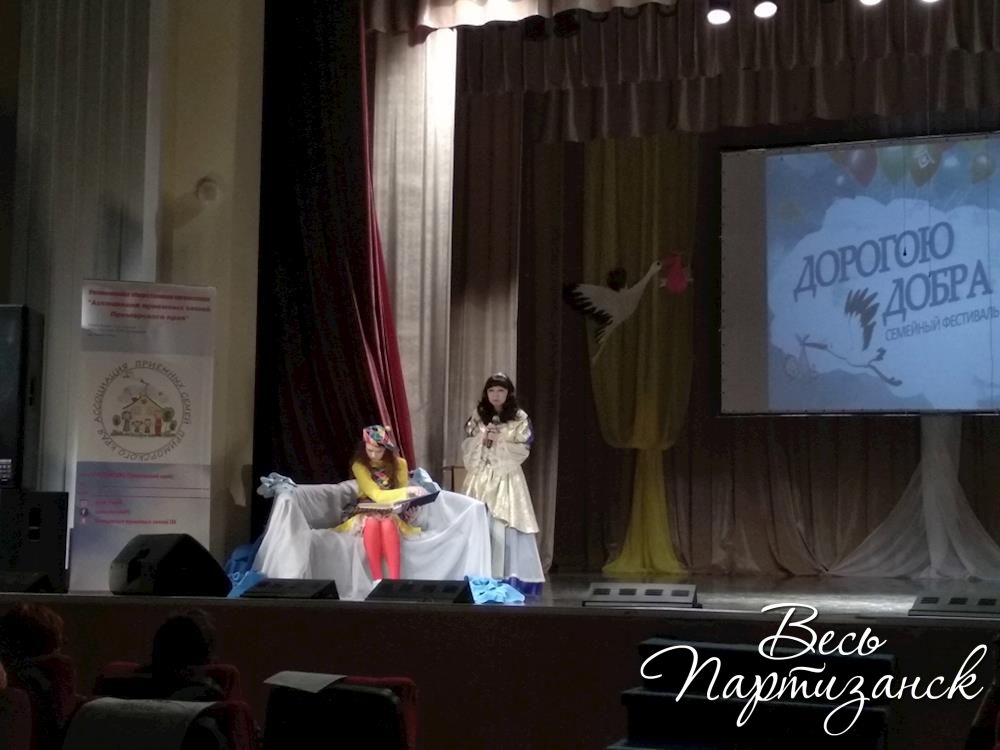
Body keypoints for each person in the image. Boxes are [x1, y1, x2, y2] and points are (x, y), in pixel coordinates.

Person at [462, 373, 544, 589]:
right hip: (481, 475)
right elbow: (469, 445)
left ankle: (508, 576)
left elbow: (522, 448)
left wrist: (500, 441)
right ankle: (480, 573)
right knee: (480, 521)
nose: (496, 395)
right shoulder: (478, 416)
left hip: (506, 476)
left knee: (506, 523)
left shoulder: (519, 418)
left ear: (508, 393)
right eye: (491, 391)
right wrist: (483, 439)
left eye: (500, 390)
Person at [334, 425, 425, 581]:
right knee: (371, 523)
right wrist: (408, 491)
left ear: (386, 450)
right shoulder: (359, 465)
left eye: (379, 451)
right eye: (370, 450)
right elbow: (376, 495)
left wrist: (407, 501)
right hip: (366, 507)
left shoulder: (400, 464)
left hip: (392, 508)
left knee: (388, 523)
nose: (374, 455)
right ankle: (377, 581)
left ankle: (395, 582)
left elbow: (402, 494)